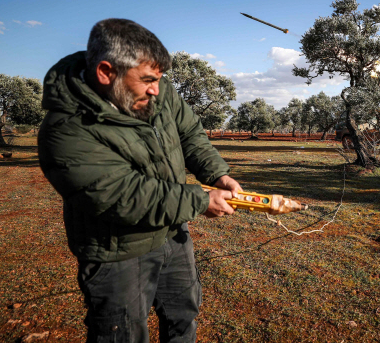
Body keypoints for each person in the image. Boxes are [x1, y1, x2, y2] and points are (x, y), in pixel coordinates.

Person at [38, 18, 240, 342]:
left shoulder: (157, 92)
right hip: (117, 250)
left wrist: (218, 173)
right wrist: (200, 200)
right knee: (123, 334)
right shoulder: (65, 130)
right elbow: (123, 195)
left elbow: (190, 134)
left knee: (183, 316)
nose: (156, 90)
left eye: (159, 79)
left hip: (173, 232)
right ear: (106, 72)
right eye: (147, 80)